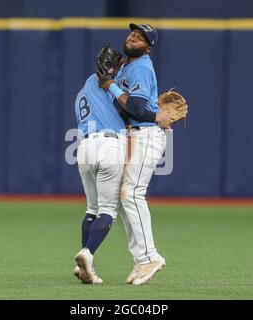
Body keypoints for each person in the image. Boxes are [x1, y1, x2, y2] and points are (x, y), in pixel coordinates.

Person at [73, 45, 173, 284]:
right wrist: (155, 114)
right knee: (109, 209)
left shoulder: (83, 90)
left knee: (91, 209)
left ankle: (86, 265)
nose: (119, 69)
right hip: (110, 145)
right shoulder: (110, 84)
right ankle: (87, 254)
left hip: (84, 148)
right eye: (116, 65)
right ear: (112, 67)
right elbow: (132, 107)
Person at [97, 23, 169, 285]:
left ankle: (150, 256)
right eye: (132, 34)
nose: (133, 38)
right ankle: (142, 259)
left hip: (145, 134)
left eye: (140, 38)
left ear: (147, 48)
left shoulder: (140, 66)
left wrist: (111, 86)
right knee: (126, 196)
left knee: (132, 193)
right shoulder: (128, 66)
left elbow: (136, 108)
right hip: (135, 133)